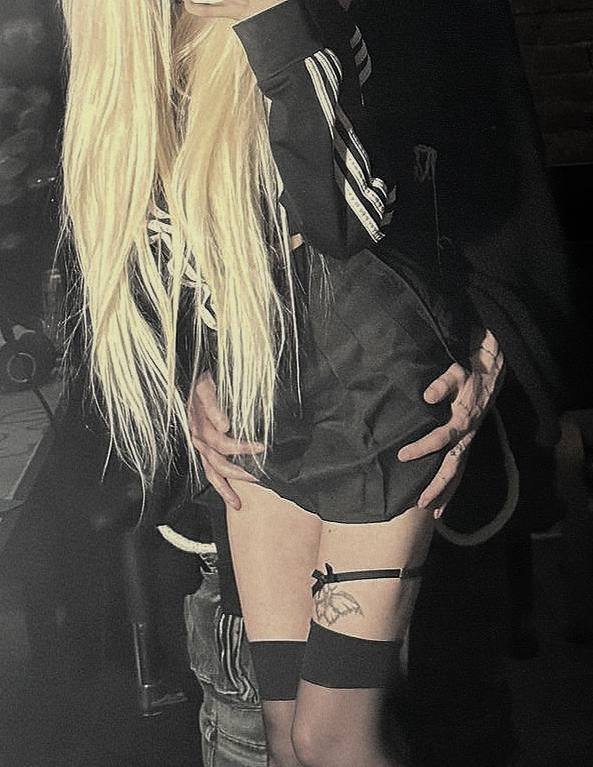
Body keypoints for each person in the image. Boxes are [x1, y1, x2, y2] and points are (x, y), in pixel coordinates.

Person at [58, 1, 559, 765]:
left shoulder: (320, 25)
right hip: (258, 411)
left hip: (378, 399)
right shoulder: (125, 47)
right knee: (283, 737)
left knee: (346, 735)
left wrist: (496, 339)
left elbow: (483, 176)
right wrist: (191, 369)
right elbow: (145, 261)